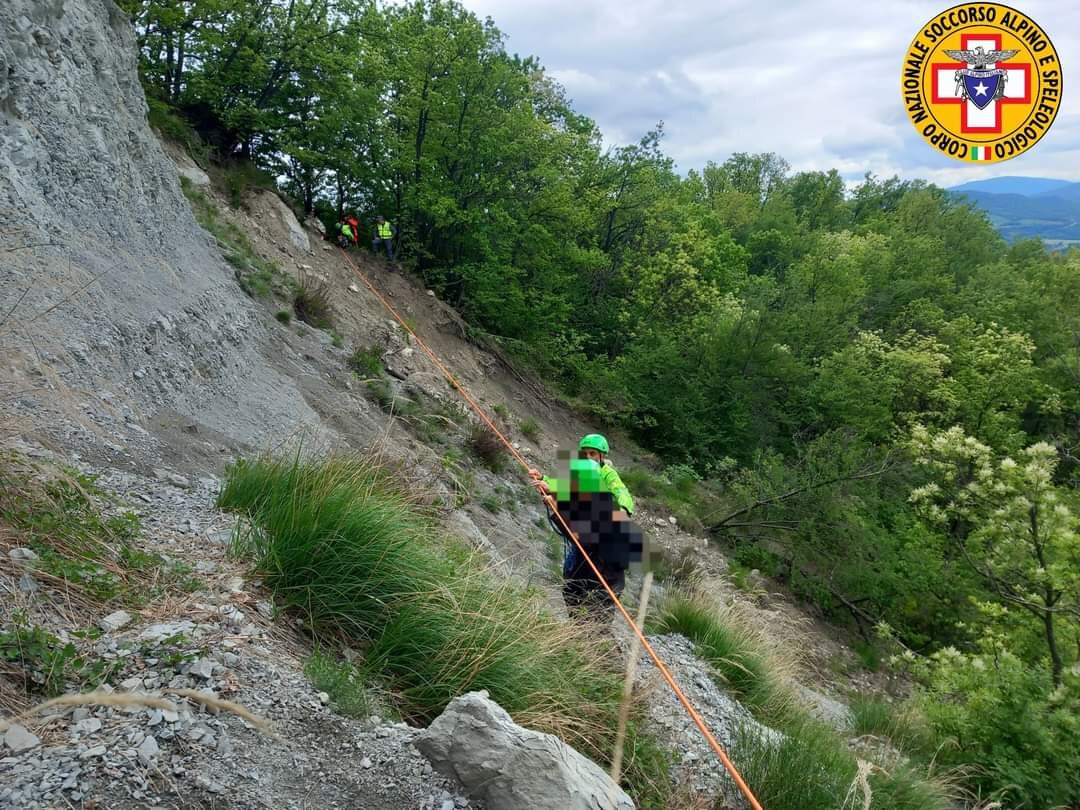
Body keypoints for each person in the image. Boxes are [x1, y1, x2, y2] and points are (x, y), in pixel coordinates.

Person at [540, 458, 643, 619]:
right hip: (586, 569)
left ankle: (595, 642)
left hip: (604, 576)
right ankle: (580, 639)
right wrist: (544, 484)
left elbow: (583, 537)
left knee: (595, 622)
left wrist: (556, 507)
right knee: (572, 596)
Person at [528, 433, 634, 516]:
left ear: (602, 455)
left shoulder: (608, 473)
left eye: (592, 453)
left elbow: (622, 493)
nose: (587, 457)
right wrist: (542, 478)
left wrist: (623, 510)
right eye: (585, 454)